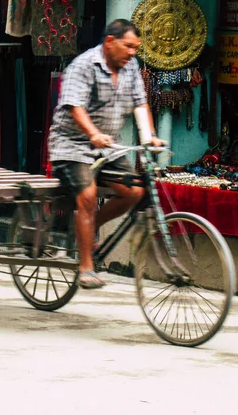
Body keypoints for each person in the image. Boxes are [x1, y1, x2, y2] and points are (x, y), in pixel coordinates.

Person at [48, 19, 163, 289]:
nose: (133, 52)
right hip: (72, 144)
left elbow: (140, 102)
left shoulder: (130, 66)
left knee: (134, 192)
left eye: (136, 48)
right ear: (110, 42)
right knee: (87, 196)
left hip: (109, 147)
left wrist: (149, 137)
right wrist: (92, 134)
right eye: (129, 46)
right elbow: (75, 107)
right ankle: (86, 265)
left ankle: (87, 229)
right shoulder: (84, 65)